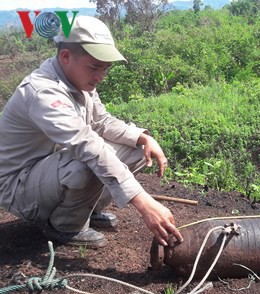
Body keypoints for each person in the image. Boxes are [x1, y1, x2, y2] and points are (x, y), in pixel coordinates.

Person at [0, 16, 183, 249]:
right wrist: (144, 203)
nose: (100, 76)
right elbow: (87, 144)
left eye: (105, 69)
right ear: (66, 56)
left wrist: (143, 137)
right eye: (95, 67)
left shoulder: (78, 80)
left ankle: (85, 208)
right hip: (19, 187)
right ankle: (64, 225)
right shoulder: (43, 92)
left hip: (48, 171)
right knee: (89, 158)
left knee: (135, 150)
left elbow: (102, 121)